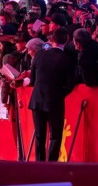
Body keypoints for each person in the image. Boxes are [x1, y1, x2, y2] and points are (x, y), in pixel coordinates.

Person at [28, 28, 76, 162]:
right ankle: (52, 164)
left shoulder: (39, 55)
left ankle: (39, 165)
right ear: (67, 40)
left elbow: (32, 80)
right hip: (55, 100)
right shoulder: (67, 59)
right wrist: (60, 94)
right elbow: (70, 84)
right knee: (55, 136)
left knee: (39, 136)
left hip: (37, 99)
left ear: (52, 40)